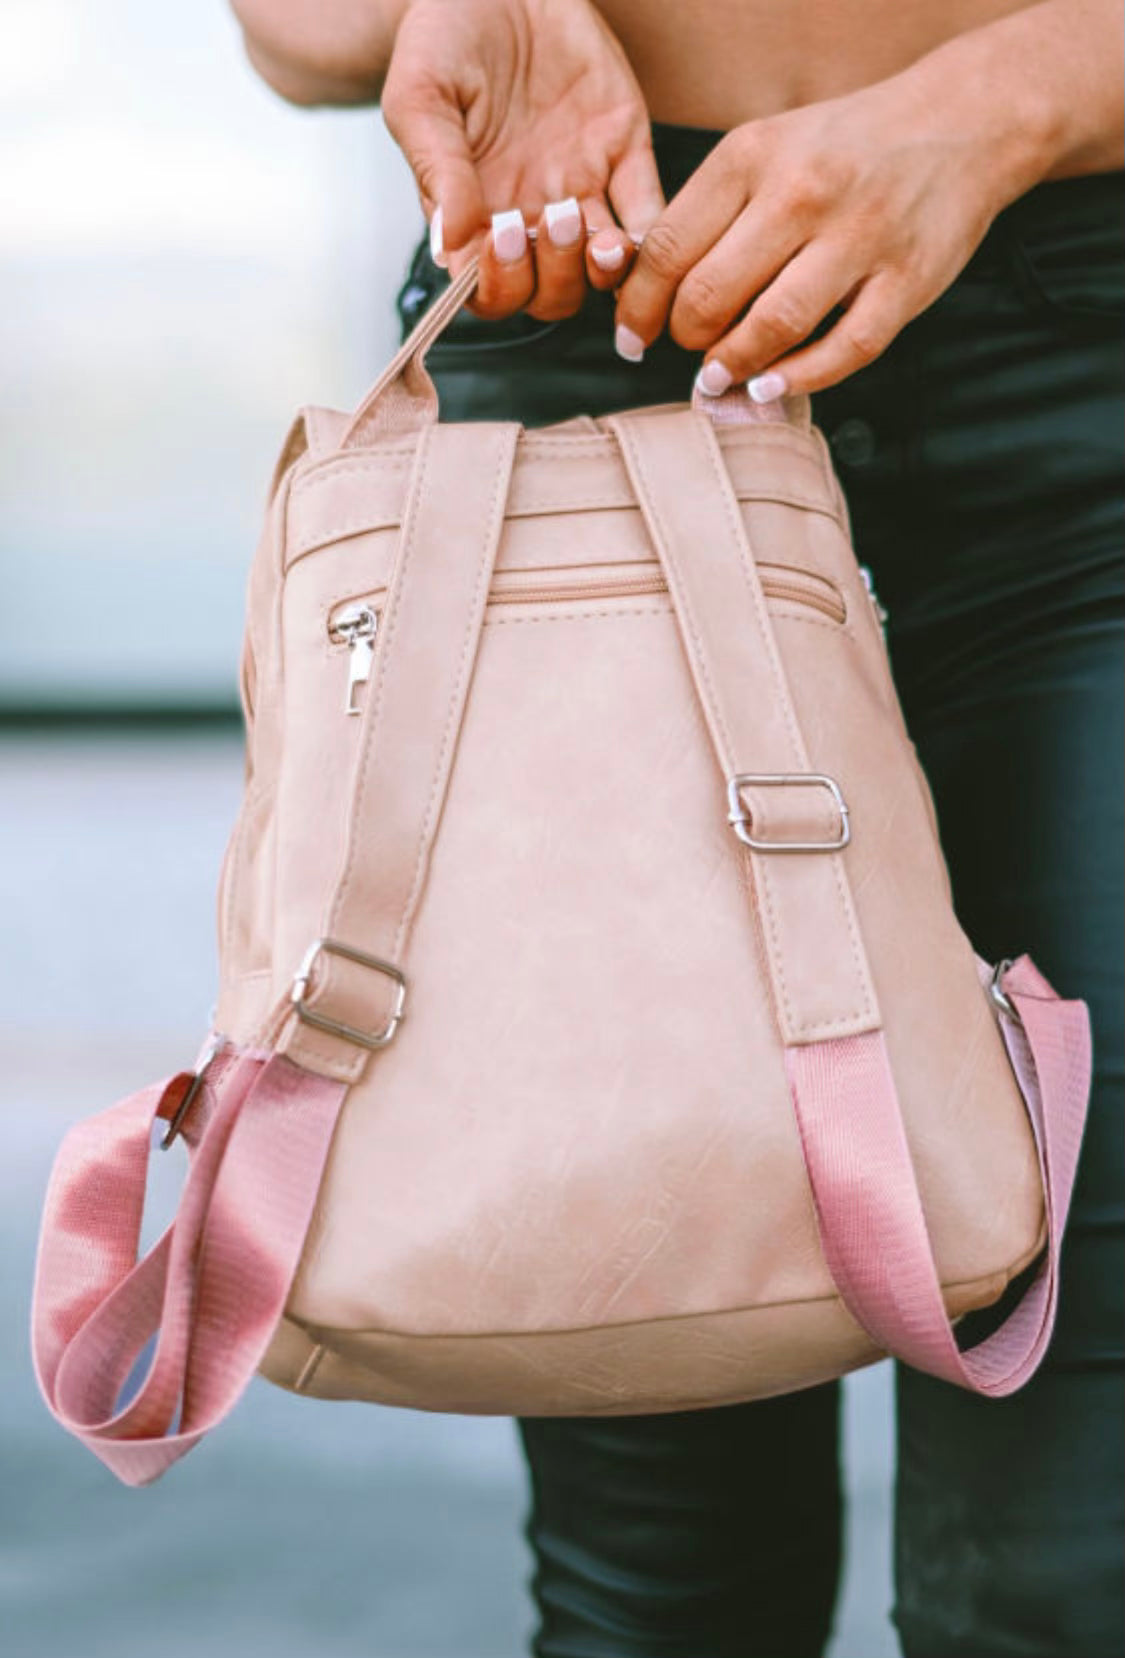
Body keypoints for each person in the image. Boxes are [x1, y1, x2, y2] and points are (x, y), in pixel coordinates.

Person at [231, 4, 1125, 1653]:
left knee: (1074, 1574)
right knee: (662, 1587)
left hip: (1086, 355)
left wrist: (997, 107)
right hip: (585, 294)